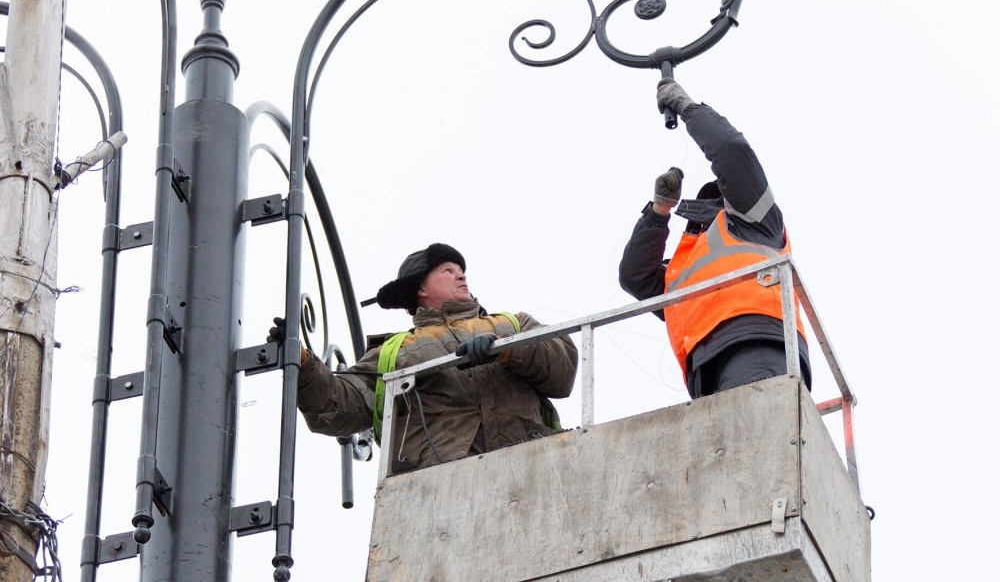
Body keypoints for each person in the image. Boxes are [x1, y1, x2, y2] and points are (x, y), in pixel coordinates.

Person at [270, 242, 578, 474]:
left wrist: (509, 348)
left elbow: (564, 370)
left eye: (461, 271)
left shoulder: (513, 324)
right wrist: (305, 361)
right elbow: (338, 405)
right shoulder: (395, 352)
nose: (462, 276)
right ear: (421, 288)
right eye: (448, 271)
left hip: (535, 467)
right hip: (443, 487)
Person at [619, 78, 810, 399]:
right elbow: (635, 277)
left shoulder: (756, 219)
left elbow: (732, 151)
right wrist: (659, 211)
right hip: (705, 364)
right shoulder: (689, 264)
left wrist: (688, 109)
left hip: (756, 343)